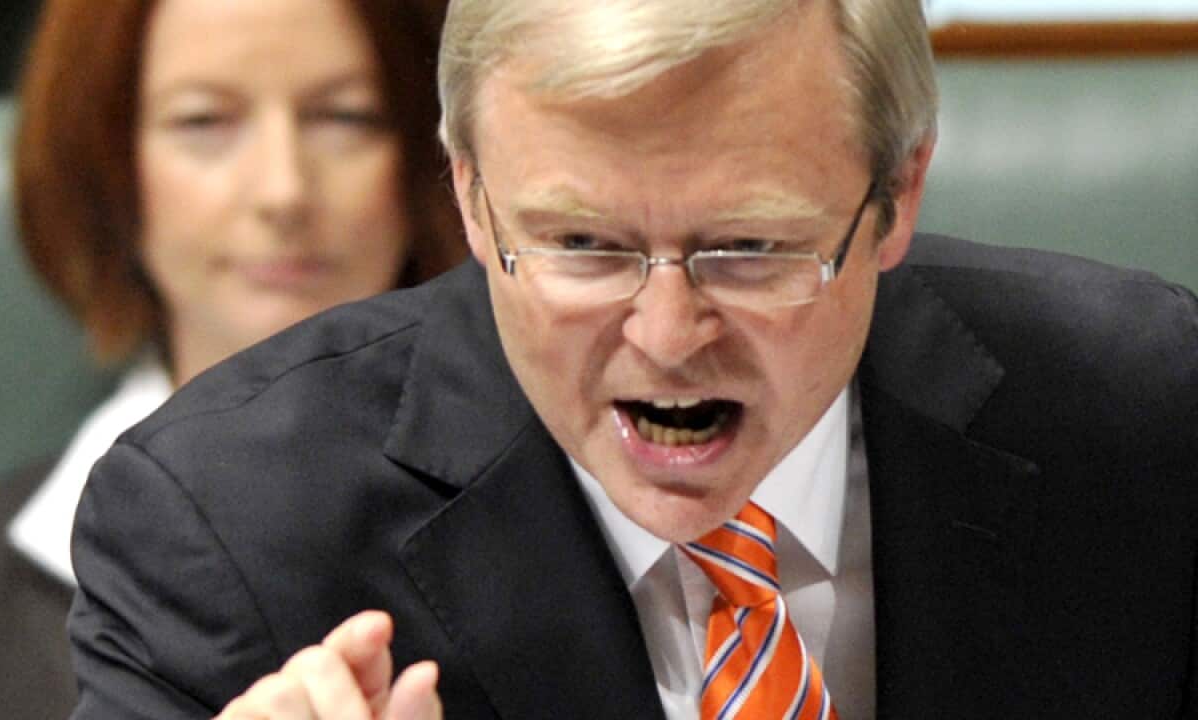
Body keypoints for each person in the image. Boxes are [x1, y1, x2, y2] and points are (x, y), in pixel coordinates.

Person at [68, 0, 1198, 718]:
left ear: (894, 194)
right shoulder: (227, 529)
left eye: (749, 249)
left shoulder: (1148, 416)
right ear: (470, 196)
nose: (665, 338)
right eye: (582, 247)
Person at [0, 0, 461, 718]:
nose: (283, 191)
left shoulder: (572, 527)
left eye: (346, 117)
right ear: (110, 166)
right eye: (204, 122)